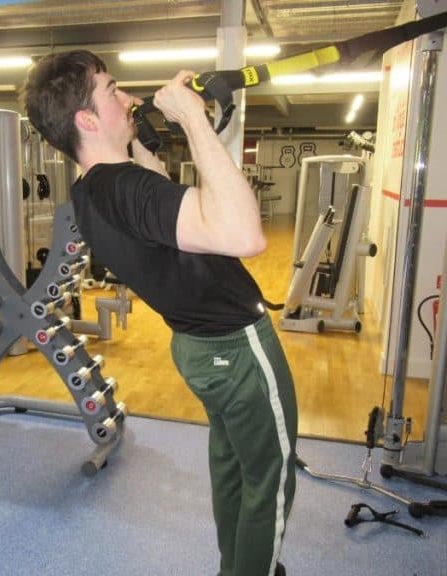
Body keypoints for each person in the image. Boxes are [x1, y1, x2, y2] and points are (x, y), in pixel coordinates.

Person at [22, 50, 297, 576]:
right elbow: (247, 235)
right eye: (113, 91)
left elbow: (158, 191)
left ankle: (236, 567)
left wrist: (157, 123)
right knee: (271, 475)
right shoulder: (126, 189)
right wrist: (194, 119)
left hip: (196, 350)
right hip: (238, 348)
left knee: (233, 464)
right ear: (86, 119)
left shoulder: (90, 192)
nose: (128, 98)